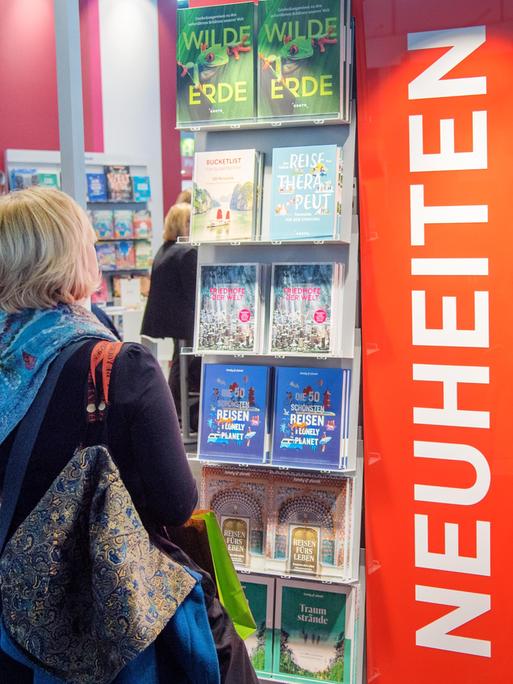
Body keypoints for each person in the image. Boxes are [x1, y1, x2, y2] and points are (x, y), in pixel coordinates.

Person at [0, 188, 256, 683]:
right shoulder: (119, 367)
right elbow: (176, 503)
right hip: (114, 619)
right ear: (72, 257)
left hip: (11, 629)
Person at [141, 202, 201, 430]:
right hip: (184, 322)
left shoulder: (165, 249)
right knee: (182, 365)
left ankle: (177, 413)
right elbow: (194, 292)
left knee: (178, 364)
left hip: (170, 320)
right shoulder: (187, 252)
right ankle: (180, 414)